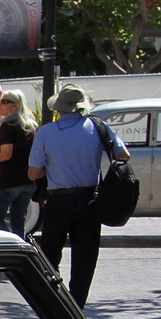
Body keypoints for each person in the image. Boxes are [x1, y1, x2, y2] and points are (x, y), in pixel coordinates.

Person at [28, 81, 129, 307]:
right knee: (84, 264)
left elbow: (33, 173)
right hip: (89, 201)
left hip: (58, 201)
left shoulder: (45, 132)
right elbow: (124, 155)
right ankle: (75, 312)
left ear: (59, 107)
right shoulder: (97, 126)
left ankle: (52, 308)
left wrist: (55, 166)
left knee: (49, 260)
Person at [0, 88, 36, 240]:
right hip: (28, 180)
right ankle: (19, 249)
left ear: (16, 105)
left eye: (5, 102)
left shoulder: (8, 125)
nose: (1, 105)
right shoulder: (31, 126)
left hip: (8, 181)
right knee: (18, 218)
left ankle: (10, 245)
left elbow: (6, 154)